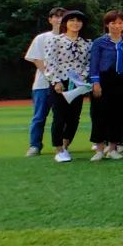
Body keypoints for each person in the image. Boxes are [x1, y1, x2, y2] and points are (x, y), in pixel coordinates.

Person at [43, 10, 91, 163]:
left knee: (74, 117)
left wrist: (82, 77)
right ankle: (58, 149)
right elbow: (50, 62)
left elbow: (88, 63)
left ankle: (65, 146)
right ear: (65, 23)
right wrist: (55, 81)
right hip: (61, 81)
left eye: (78, 21)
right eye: (72, 20)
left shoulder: (87, 43)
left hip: (78, 82)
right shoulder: (55, 41)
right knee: (59, 116)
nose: (75, 23)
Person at [88, 10, 123, 161]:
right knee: (99, 115)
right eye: (113, 23)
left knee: (119, 115)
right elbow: (94, 63)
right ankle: (99, 149)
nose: (116, 26)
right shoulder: (99, 42)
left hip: (122, 81)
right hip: (103, 80)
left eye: (120, 23)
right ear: (107, 25)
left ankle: (113, 148)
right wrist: (95, 82)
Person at [24, 6, 64, 157]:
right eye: (56, 16)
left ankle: (61, 145)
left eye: (62, 16)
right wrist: (51, 77)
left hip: (63, 84)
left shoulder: (69, 38)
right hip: (43, 84)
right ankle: (35, 145)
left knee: (61, 117)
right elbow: (36, 59)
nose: (59, 19)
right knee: (39, 116)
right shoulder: (42, 38)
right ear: (50, 19)